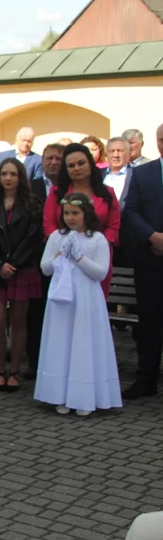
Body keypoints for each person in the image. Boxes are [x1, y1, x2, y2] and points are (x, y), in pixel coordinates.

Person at [34, 192, 121, 417]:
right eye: (67, 213)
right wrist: (60, 256)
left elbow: (100, 273)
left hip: (86, 298)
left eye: (75, 213)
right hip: (62, 300)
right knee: (62, 342)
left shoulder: (97, 239)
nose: (70, 218)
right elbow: (45, 268)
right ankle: (60, 394)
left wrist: (80, 258)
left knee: (83, 343)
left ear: (86, 213)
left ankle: (84, 395)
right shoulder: (56, 236)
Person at [0, 158, 42, 393]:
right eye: (4, 174)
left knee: (19, 321)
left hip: (22, 269)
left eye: (13, 174)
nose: (8, 178)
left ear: (20, 177)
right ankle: (0, 370)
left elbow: (34, 238)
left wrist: (14, 263)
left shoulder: (33, 204)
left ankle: (14, 372)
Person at [43, 143, 121, 298]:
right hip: (65, 259)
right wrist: (65, 247)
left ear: (90, 164)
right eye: (71, 165)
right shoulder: (57, 193)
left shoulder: (107, 193)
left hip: (96, 259)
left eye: (81, 163)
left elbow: (113, 226)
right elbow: (49, 224)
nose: (76, 168)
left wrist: (95, 245)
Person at [122, 123, 163, 400]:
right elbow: (131, 210)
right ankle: (146, 379)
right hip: (151, 259)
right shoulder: (142, 172)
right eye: (162, 139)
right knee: (149, 323)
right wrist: (152, 236)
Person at [26, 143, 66, 380]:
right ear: (42, 161)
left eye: (58, 158)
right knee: (37, 311)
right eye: (49, 158)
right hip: (37, 259)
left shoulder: (68, 189)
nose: (53, 162)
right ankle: (34, 360)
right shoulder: (32, 188)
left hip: (67, 260)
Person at [103, 137, 132, 206]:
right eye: (112, 151)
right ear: (106, 154)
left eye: (120, 151)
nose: (115, 155)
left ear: (129, 154)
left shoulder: (136, 175)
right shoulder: (97, 175)